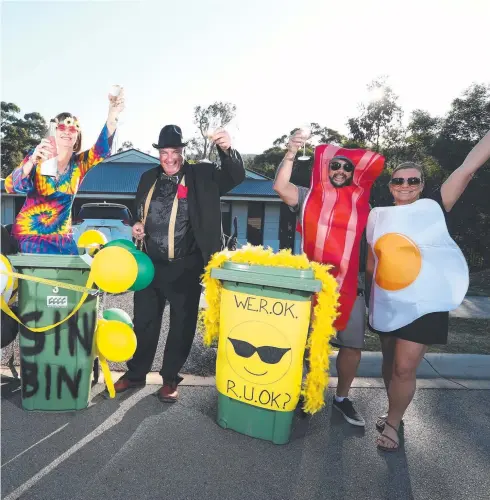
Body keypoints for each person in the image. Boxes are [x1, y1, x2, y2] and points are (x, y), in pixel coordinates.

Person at [367, 130, 490, 452]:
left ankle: (393, 422)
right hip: (388, 302)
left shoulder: (434, 205)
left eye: (413, 181)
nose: (405, 186)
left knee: (404, 367)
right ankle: (395, 407)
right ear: (390, 186)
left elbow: (467, 167)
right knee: (389, 362)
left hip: (425, 305)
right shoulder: (378, 217)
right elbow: (372, 262)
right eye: (399, 181)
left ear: (422, 185)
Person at [114, 124, 245, 402]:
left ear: (183, 152)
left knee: (181, 325)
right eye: (164, 152)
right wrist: (138, 224)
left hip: (186, 265)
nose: (170, 158)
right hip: (150, 265)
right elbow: (140, 210)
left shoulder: (202, 175)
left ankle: (171, 379)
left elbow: (235, 176)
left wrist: (227, 148)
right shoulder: (148, 177)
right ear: (158, 153)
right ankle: (136, 374)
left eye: (175, 151)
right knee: (144, 323)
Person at [274, 130, 384, 426]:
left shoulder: (365, 205)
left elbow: (376, 247)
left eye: (347, 167)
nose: (340, 170)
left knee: (352, 346)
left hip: (351, 286)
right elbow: (280, 186)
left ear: (354, 172)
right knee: (306, 343)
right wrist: (291, 152)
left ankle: (342, 398)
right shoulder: (309, 196)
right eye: (335, 165)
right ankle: (303, 392)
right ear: (326, 168)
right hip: (312, 284)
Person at [4, 91, 125, 254]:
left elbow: (101, 150)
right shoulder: (38, 156)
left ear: (77, 136)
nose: (68, 131)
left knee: (75, 276)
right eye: (62, 127)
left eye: (73, 128)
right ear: (54, 132)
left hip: (62, 241)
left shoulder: (80, 164)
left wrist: (113, 114)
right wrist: (31, 162)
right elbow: (11, 186)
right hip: (29, 238)